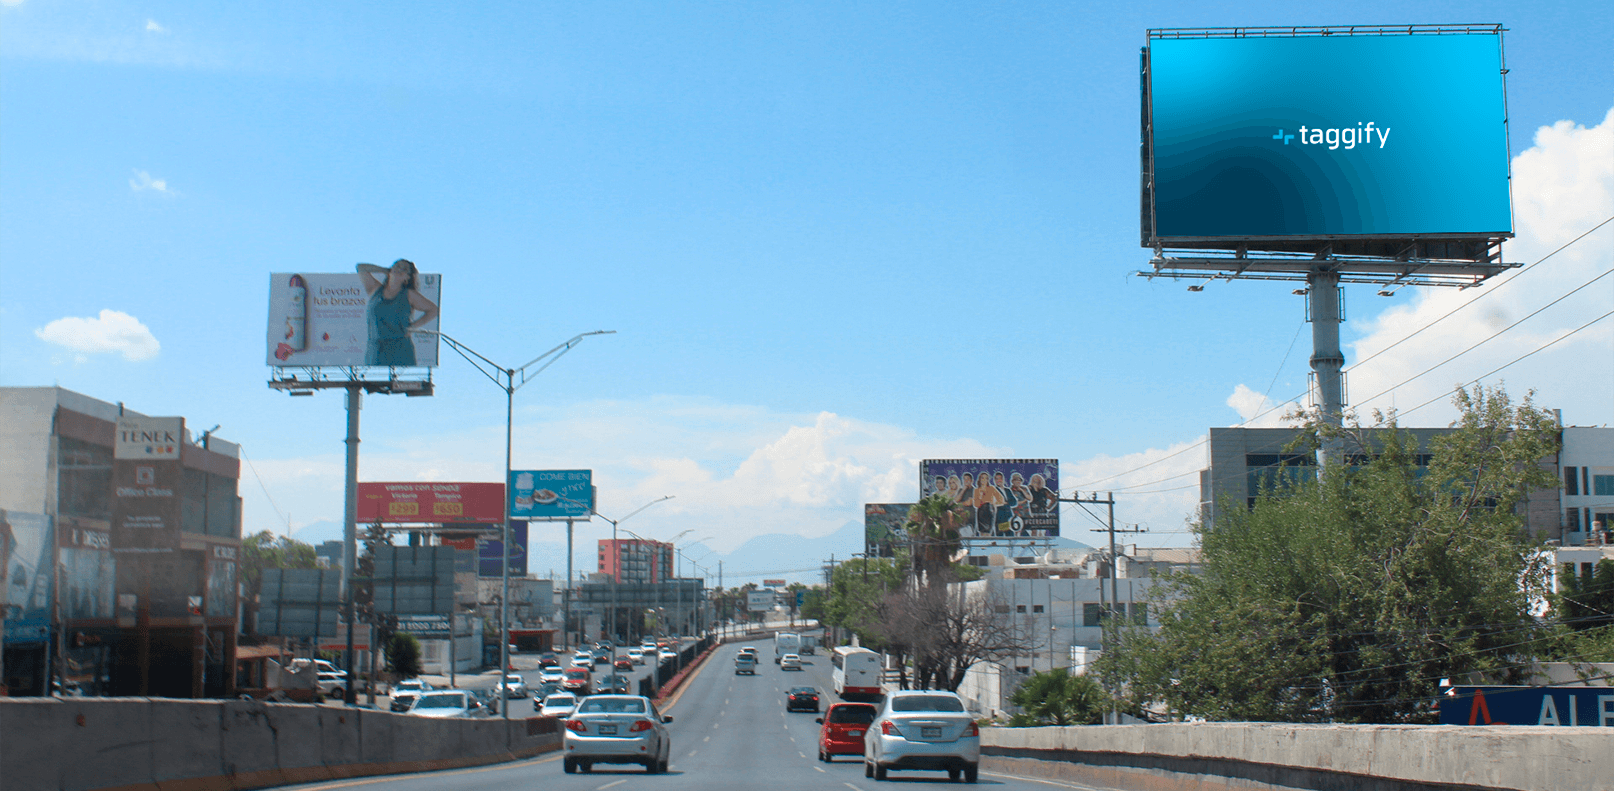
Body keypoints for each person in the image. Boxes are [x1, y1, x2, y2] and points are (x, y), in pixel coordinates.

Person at [357, 260, 439, 366]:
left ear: (407, 277)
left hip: (400, 350)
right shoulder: (375, 290)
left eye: (404, 269)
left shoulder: (408, 294)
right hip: (376, 350)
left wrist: (413, 326)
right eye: (397, 266)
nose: (399, 269)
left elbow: (433, 309)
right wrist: (385, 270)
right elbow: (361, 267)